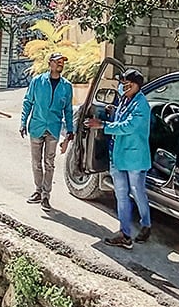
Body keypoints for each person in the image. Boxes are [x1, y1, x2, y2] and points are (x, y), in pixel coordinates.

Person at [85, 69, 152, 249]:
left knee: (137, 191)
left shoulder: (141, 105)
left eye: (127, 83)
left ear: (136, 85)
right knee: (121, 194)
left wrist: (103, 125)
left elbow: (128, 126)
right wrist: (111, 113)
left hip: (134, 157)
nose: (123, 86)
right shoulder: (124, 100)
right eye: (122, 83)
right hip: (118, 154)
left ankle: (146, 224)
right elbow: (120, 119)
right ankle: (125, 234)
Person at [20, 52, 74, 213]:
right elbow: (28, 102)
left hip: (53, 128)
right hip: (37, 126)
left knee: (49, 163)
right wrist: (23, 122)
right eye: (58, 61)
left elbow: (68, 110)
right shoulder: (37, 81)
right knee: (36, 162)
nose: (60, 64)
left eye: (62, 62)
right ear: (50, 63)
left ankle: (46, 195)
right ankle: (38, 190)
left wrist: (70, 130)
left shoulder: (66, 86)